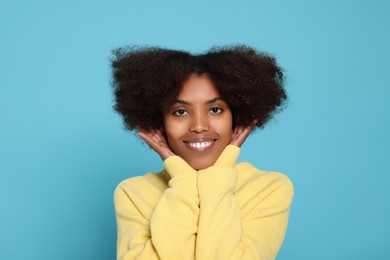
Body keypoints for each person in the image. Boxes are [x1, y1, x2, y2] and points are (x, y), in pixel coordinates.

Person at [111, 45, 294, 260]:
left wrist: (218, 175)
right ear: (160, 122)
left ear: (236, 117)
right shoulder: (132, 194)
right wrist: (184, 179)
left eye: (215, 110)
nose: (199, 126)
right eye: (180, 111)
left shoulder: (269, 189)